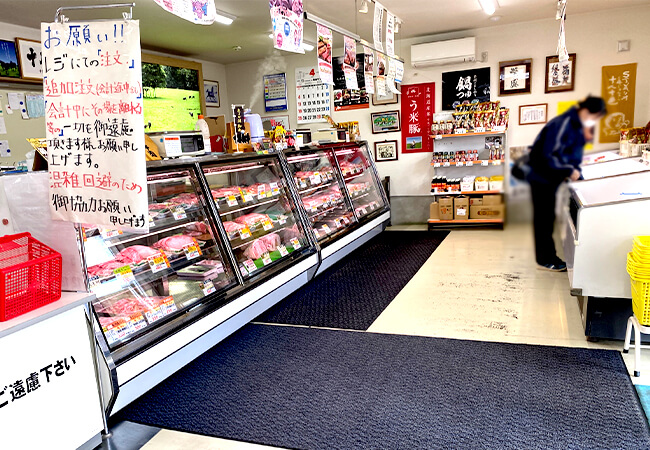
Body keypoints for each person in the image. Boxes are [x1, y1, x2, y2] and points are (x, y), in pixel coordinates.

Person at [527, 96, 607, 272]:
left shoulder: (574, 125)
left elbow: (570, 154)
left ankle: (549, 256)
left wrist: (578, 175)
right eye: (594, 118)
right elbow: (548, 156)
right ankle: (546, 260)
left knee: (547, 218)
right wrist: (569, 171)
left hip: (553, 177)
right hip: (542, 178)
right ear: (586, 111)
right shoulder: (563, 124)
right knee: (544, 219)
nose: (593, 122)